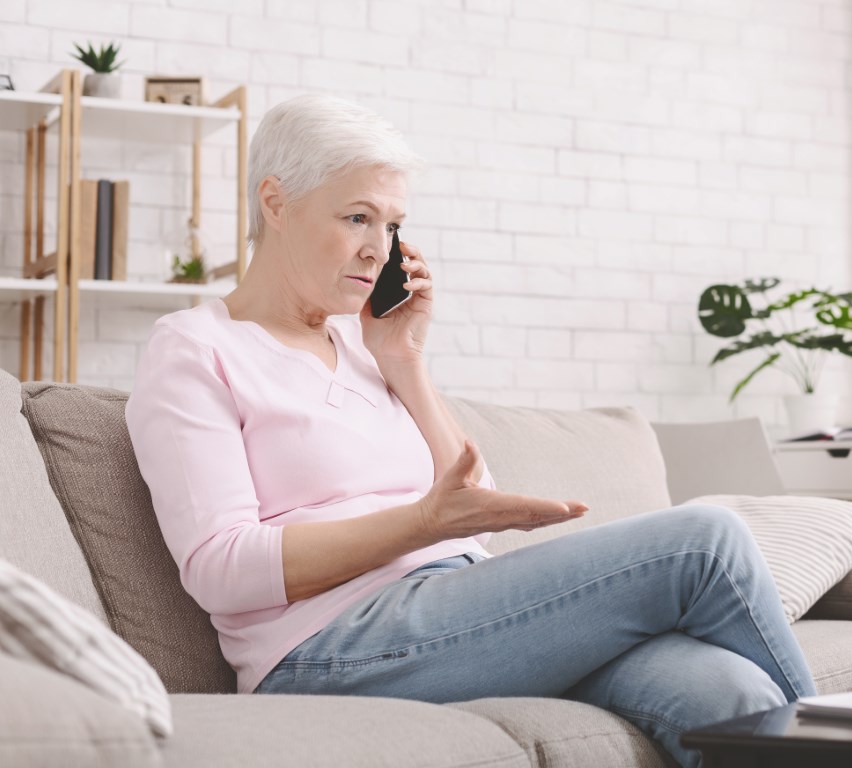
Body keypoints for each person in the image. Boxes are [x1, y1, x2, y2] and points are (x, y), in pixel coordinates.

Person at [125, 93, 816, 768]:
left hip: (452, 615)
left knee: (731, 693)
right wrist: (422, 524)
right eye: (358, 217)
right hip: (326, 650)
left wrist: (403, 361)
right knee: (704, 541)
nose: (378, 249)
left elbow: (472, 512)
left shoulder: (368, 348)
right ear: (275, 203)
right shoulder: (194, 349)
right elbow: (221, 570)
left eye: (392, 226)